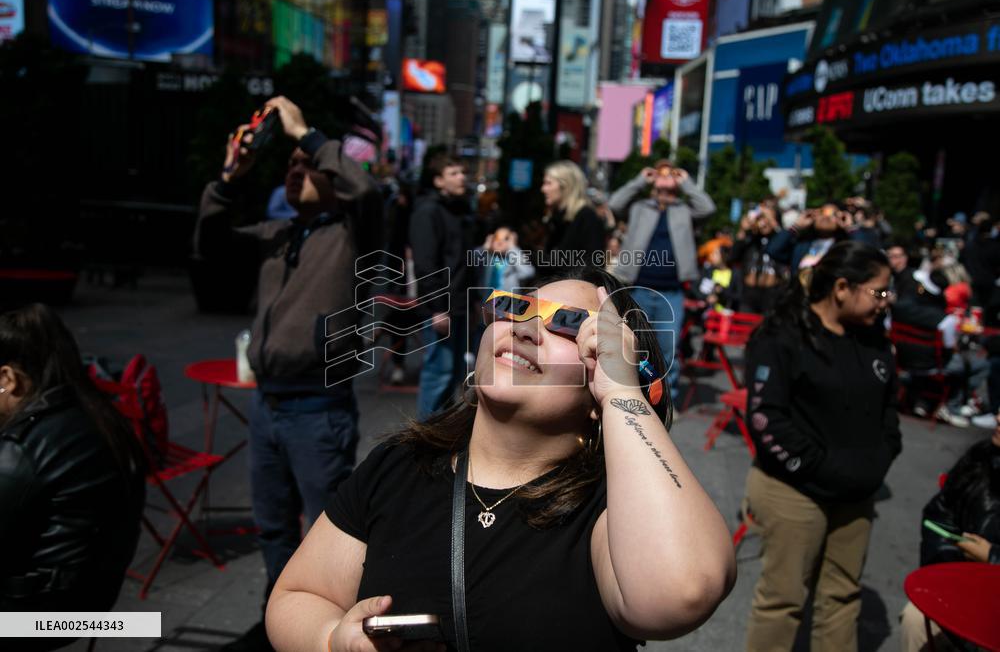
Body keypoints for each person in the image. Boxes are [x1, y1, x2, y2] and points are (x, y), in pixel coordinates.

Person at [265, 267, 737, 652]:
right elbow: (297, 596)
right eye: (519, 307)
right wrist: (333, 639)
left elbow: (683, 592)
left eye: (570, 326)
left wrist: (621, 393)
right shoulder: (399, 464)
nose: (527, 328)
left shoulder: (612, 514)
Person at [195, 95, 380, 652]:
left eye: (307, 166)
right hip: (267, 407)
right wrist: (229, 179)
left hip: (318, 411)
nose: (296, 169)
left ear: (329, 176)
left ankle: (323, 630)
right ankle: (279, 622)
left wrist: (307, 134)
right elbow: (210, 246)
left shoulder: (354, 233)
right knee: (273, 530)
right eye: (291, 167)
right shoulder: (280, 233)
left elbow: (367, 191)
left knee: (328, 534)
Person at [742, 241, 902, 652]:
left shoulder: (874, 338)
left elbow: (888, 410)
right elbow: (766, 418)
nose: (887, 301)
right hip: (795, 490)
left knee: (842, 597)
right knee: (783, 600)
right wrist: (822, 466)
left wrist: (881, 456)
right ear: (842, 287)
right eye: (879, 291)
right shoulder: (782, 337)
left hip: (856, 496)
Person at [0, 304, 146, 651]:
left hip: (36, 616)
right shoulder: (102, 417)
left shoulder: (23, 447)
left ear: (9, 380)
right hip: (95, 600)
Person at [608, 160, 717, 402]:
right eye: (660, 171)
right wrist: (640, 181)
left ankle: (666, 400)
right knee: (633, 344)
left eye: (671, 172)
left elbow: (708, 208)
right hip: (637, 288)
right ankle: (633, 394)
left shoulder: (684, 210)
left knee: (668, 349)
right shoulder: (639, 206)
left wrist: (686, 182)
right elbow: (615, 203)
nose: (665, 175)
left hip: (672, 292)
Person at [898, 414, 1000, 652]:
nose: (997, 416)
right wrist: (953, 574)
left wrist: (992, 557)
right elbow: (940, 517)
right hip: (969, 591)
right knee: (915, 619)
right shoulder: (980, 460)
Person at [409, 154, 480, 421]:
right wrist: (438, 308)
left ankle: (439, 431)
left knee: (453, 373)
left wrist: (473, 301)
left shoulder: (459, 211)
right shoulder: (428, 211)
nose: (462, 177)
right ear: (438, 181)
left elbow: (466, 261)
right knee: (439, 370)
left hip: (460, 304)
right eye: (453, 173)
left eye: (462, 172)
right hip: (442, 308)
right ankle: (425, 435)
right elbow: (426, 265)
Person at [892, 270, 991, 428]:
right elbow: (949, 347)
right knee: (978, 364)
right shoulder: (945, 319)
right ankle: (952, 406)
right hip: (931, 365)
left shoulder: (899, 308)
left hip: (902, 360)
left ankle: (922, 400)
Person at [540, 160, 608, 274]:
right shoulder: (557, 219)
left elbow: (593, 268)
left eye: (548, 183)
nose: (543, 189)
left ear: (566, 186)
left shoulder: (588, 218)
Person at [766, 202, 862, 270]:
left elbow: (864, 255)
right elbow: (773, 250)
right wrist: (796, 226)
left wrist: (850, 227)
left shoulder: (843, 247)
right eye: (822, 212)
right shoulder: (801, 245)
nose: (826, 217)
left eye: (833, 214)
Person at [729, 205, 786, 314]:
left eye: (767, 218)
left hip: (772, 294)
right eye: (760, 218)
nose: (763, 223)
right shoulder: (750, 239)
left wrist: (772, 221)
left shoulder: (780, 239)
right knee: (746, 327)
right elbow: (733, 257)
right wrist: (743, 230)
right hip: (748, 294)